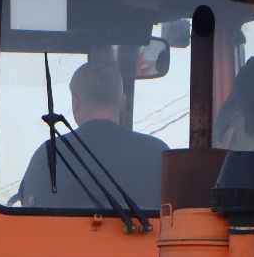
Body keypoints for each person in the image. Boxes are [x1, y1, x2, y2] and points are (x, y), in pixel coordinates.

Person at [19, 61, 168, 212]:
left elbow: (29, 213)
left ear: (76, 102)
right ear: (122, 102)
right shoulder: (159, 154)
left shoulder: (48, 155)